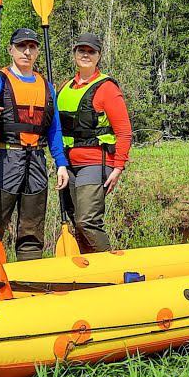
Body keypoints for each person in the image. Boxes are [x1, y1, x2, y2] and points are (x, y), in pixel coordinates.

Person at [0, 28, 69, 260]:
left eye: (32, 47)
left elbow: (54, 129)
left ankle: (29, 279)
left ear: (37, 52)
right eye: (21, 46)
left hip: (36, 162)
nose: (27, 51)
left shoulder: (47, 87)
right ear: (10, 50)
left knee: (32, 231)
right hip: (5, 161)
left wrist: (61, 163)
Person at [57, 32, 132, 253]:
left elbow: (124, 132)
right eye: (82, 50)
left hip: (96, 162)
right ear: (74, 54)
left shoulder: (107, 88)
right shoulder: (64, 87)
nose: (86, 55)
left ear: (99, 56)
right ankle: (90, 271)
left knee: (86, 221)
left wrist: (118, 167)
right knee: (75, 222)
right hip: (68, 164)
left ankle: (111, 271)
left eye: (92, 51)